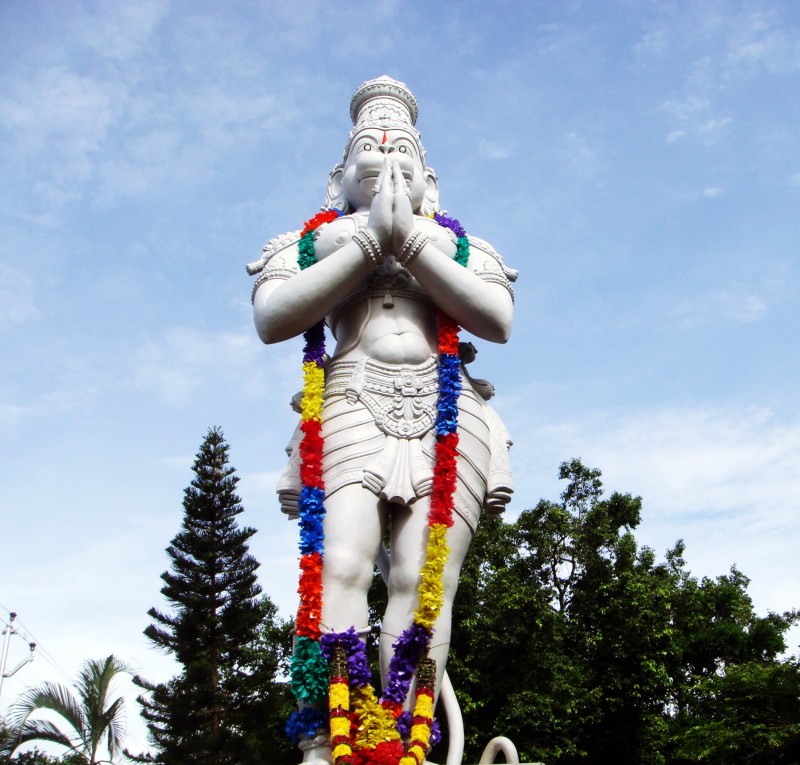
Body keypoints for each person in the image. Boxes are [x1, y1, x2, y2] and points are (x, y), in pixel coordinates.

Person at [249, 76, 515, 762]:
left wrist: (411, 241)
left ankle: (404, 736)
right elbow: (274, 318)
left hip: (445, 410)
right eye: (371, 151)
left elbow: (498, 318)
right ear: (341, 176)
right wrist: (371, 243)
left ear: (431, 176)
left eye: (405, 157)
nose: (389, 158)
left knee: (422, 581)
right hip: (351, 397)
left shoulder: (458, 245)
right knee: (338, 563)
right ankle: (329, 732)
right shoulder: (318, 239)